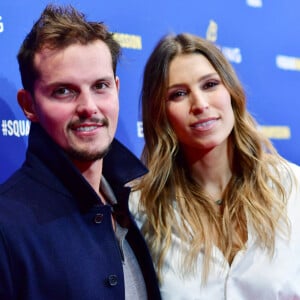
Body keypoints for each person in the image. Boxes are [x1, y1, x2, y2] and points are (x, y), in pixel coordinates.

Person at [0, 4, 161, 300]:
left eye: (100, 86)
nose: (89, 106)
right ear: (28, 105)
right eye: (64, 91)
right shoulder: (6, 226)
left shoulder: (134, 206)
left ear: (116, 88)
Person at [129, 33, 300, 299]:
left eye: (209, 85)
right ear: (159, 113)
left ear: (231, 92)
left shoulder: (291, 186)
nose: (200, 104)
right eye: (179, 94)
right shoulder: (142, 209)